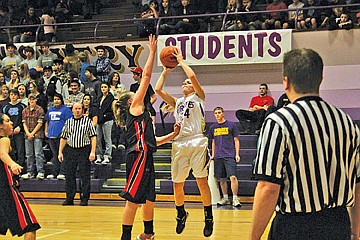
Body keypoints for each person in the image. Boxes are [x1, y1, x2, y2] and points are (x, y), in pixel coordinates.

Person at [250, 48, 360, 240]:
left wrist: (253, 237)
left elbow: (268, 187)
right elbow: (358, 184)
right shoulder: (346, 122)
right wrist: (355, 231)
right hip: (338, 223)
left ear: (286, 81)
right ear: (320, 78)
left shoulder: (279, 122)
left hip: (295, 226)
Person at [113, 35, 180, 240]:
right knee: (133, 199)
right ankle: (125, 237)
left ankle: (148, 233)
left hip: (145, 154)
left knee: (150, 198)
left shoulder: (140, 115)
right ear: (130, 101)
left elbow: (154, 142)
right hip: (137, 157)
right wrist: (151, 52)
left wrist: (173, 135)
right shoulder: (134, 107)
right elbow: (147, 76)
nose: (139, 94)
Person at [155, 48, 214, 237]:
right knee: (177, 184)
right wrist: (165, 70)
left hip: (197, 141)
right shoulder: (177, 102)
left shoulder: (199, 98)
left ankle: (208, 217)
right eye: (184, 83)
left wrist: (180, 61)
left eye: (187, 83)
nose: (185, 83)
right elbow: (157, 90)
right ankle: (180, 213)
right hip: (179, 143)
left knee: (201, 182)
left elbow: (193, 76)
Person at [0, 113, 40, 239]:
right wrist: (12, 164)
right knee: (30, 226)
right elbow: (2, 154)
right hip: (7, 190)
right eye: (7, 121)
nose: (11, 123)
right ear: (0, 126)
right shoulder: (4, 139)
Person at [58, 102, 97, 206]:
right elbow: (63, 137)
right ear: (72, 110)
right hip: (70, 150)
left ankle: (84, 198)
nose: (78, 110)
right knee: (69, 175)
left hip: (84, 150)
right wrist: (60, 152)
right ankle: (69, 198)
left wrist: (93, 152)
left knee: (85, 175)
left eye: (79, 108)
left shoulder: (87, 121)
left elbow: (93, 137)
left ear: (82, 110)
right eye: (76, 108)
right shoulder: (68, 122)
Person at [209, 106, 241, 207]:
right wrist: (213, 155)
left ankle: (235, 198)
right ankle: (225, 197)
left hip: (229, 155)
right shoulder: (212, 127)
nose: (217, 115)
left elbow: (236, 140)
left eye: (219, 112)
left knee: (232, 177)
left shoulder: (231, 125)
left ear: (223, 113)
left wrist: (237, 154)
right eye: (216, 113)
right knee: (222, 178)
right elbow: (213, 142)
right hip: (218, 156)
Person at [45, 93, 72, 180]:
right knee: (55, 154)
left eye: (58, 99)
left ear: (61, 100)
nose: (56, 101)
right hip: (51, 136)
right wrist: (46, 131)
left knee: (63, 154)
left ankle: (62, 172)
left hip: (61, 136)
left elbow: (69, 122)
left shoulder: (66, 110)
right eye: (55, 99)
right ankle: (55, 172)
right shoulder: (50, 110)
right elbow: (47, 121)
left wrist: (65, 133)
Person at [21, 93, 46, 180]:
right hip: (27, 135)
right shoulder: (24, 110)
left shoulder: (40, 109)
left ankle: (40, 171)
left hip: (37, 134)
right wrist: (28, 133)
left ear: (36, 100)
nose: (32, 100)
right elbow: (23, 123)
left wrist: (32, 133)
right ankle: (30, 172)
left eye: (33, 99)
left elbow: (40, 123)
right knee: (29, 154)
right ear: (28, 100)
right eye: (30, 99)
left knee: (38, 153)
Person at [2, 89, 26, 171]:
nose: (13, 96)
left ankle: (20, 168)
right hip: (8, 132)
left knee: (20, 150)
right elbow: (3, 120)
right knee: (9, 150)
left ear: (18, 96)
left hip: (19, 131)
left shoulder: (22, 106)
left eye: (15, 95)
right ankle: (10, 167)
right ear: (9, 95)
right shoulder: (5, 107)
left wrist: (20, 127)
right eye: (11, 94)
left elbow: (24, 119)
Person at [94, 82, 115, 165]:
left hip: (107, 119)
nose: (103, 89)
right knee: (97, 138)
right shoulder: (99, 98)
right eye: (102, 87)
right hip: (99, 120)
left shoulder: (110, 97)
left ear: (108, 88)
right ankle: (99, 155)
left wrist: (103, 116)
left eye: (105, 87)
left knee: (107, 138)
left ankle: (107, 155)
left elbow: (106, 109)